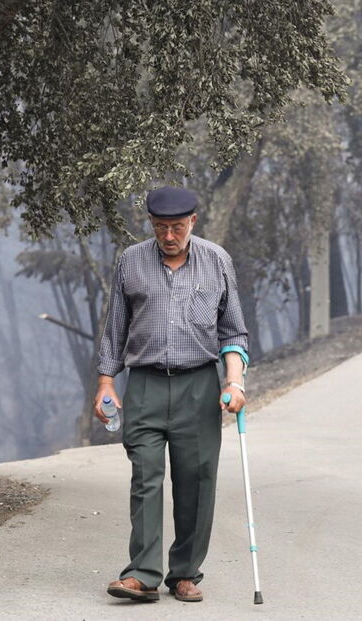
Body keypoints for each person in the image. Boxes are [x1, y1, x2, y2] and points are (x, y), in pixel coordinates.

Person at [95, 186, 249, 603]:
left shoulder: (216, 261)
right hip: (144, 383)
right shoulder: (131, 262)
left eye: (177, 227)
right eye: (161, 227)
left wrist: (234, 383)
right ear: (150, 224)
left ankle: (184, 573)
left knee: (196, 481)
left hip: (199, 385)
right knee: (145, 477)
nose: (168, 235)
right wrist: (107, 383)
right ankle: (142, 574)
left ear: (192, 223)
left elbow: (233, 331)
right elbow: (115, 330)